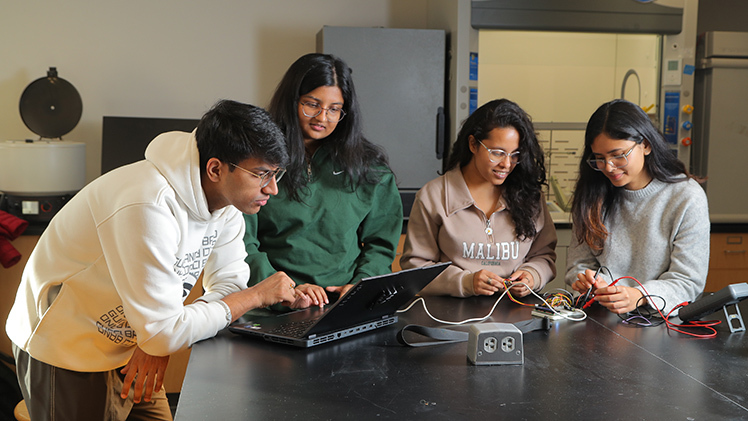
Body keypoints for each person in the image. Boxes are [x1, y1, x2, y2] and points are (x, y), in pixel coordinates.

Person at [6, 100, 298, 420]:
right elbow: (186, 321)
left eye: (275, 174)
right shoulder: (146, 204)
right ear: (215, 168)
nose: (272, 188)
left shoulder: (227, 205)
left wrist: (164, 336)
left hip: (136, 345)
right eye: (262, 174)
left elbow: (228, 284)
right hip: (68, 347)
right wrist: (254, 297)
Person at [243, 53, 403, 309]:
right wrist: (285, 291)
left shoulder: (369, 169)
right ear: (291, 100)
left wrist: (360, 286)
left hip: (340, 306)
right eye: (312, 104)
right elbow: (243, 242)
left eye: (334, 109)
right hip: (268, 304)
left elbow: (380, 245)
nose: (322, 117)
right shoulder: (256, 160)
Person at [565, 99, 710, 315]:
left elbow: (688, 281)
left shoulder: (686, 197)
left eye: (618, 155)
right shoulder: (592, 193)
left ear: (646, 145)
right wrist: (590, 283)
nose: (609, 167)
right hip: (600, 320)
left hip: (661, 324)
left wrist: (640, 296)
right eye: (599, 158)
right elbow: (578, 265)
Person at [400, 98, 557, 298]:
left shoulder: (531, 196)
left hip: (515, 313)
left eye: (515, 154)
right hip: (448, 316)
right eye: (497, 153)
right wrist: (465, 282)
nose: (507, 164)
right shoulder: (433, 196)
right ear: (473, 144)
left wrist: (532, 275)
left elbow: (544, 255)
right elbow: (415, 268)